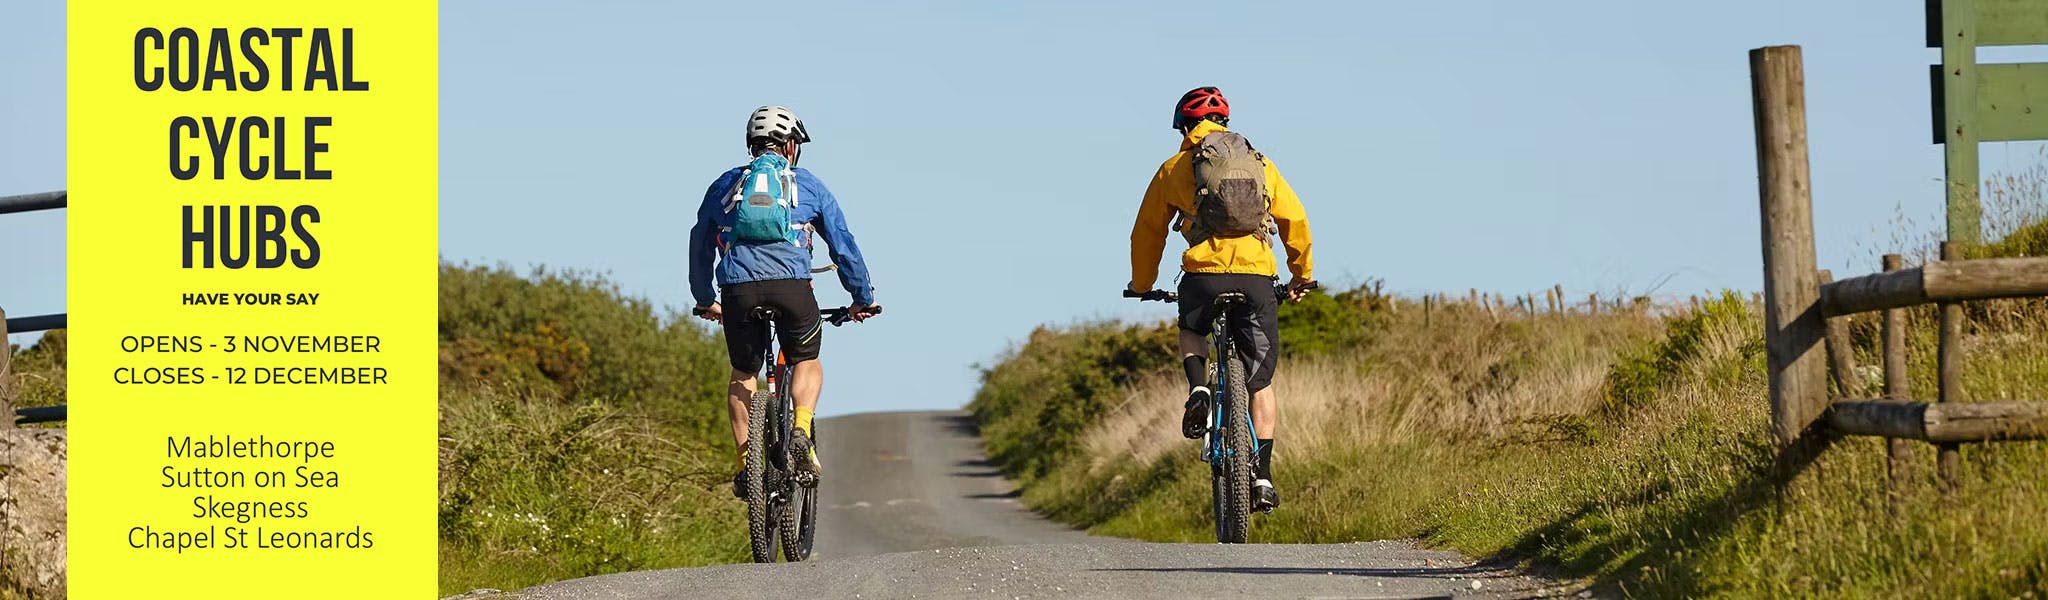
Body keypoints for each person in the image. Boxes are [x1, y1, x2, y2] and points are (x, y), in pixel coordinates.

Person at [1128, 86, 1316, 512]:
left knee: (1192, 329)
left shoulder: (1174, 168)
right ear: (1224, 125)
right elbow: (1295, 220)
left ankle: (1199, 388)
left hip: (1202, 278)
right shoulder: (1260, 164)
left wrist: (1142, 284)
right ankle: (1263, 475)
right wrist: (1301, 276)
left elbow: (1147, 232)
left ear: (1184, 127)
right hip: (1256, 279)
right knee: (1261, 382)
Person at [689, 105, 877, 498]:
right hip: (793, 289)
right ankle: (799, 430)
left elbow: (700, 243)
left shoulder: (725, 185)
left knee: (743, 373)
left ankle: (746, 468)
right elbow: (843, 246)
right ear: (791, 146)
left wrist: (706, 298)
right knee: (806, 358)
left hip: (737, 292)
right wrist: (861, 297)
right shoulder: (807, 184)